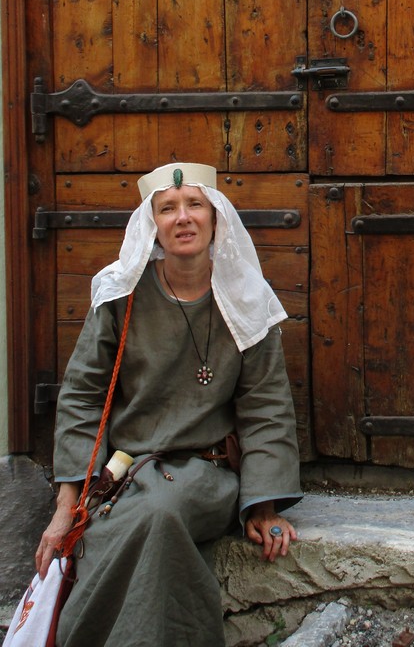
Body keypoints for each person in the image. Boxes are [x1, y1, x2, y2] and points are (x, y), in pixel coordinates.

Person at [35, 162, 302, 647]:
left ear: (215, 218)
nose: (183, 217)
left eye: (195, 204)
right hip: (125, 475)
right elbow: (82, 396)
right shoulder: (121, 295)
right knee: (128, 519)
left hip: (207, 472)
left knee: (159, 512)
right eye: (167, 208)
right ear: (152, 224)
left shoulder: (246, 299)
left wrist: (263, 505)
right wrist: (67, 504)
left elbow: (266, 407)